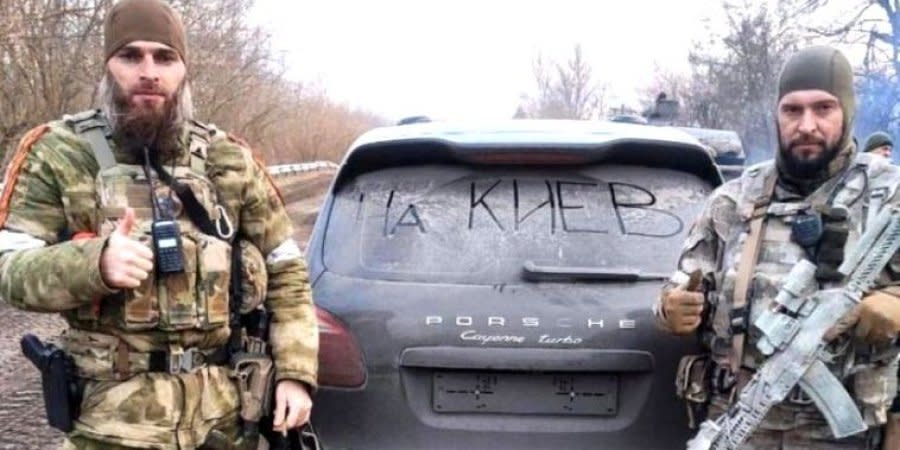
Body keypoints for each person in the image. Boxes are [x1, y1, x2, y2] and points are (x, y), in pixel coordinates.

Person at [0, 0, 318, 448]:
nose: (149, 71)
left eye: (164, 58)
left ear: (183, 70)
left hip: (222, 425)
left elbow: (287, 271)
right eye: (131, 56)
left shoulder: (230, 158)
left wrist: (296, 374)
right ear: (108, 66)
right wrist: (94, 264)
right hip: (110, 427)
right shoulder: (59, 152)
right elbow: (10, 269)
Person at [655, 45, 900, 448]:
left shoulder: (887, 193)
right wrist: (669, 308)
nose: (807, 125)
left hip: (845, 431)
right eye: (792, 110)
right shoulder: (733, 201)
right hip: (739, 420)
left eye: (823, 109)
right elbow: (675, 291)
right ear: (777, 115)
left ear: (847, 111)